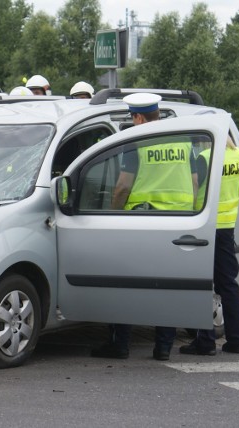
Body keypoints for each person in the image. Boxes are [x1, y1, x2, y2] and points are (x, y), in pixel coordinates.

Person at [91, 93, 197, 361]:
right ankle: (163, 348)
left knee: (128, 285)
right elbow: (195, 183)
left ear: (138, 117)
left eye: (132, 118)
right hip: (178, 221)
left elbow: (123, 186)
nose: (132, 122)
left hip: (142, 220)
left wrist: (112, 216)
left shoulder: (137, 142)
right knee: (168, 288)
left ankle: (120, 344)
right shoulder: (182, 140)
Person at [180, 137, 239, 356]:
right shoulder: (238, 154)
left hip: (206, 226)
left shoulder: (204, 157)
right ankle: (238, 340)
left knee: (202, 283)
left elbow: (193, 190)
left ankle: (205, 342)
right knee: (228, 283)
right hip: (227, 227)